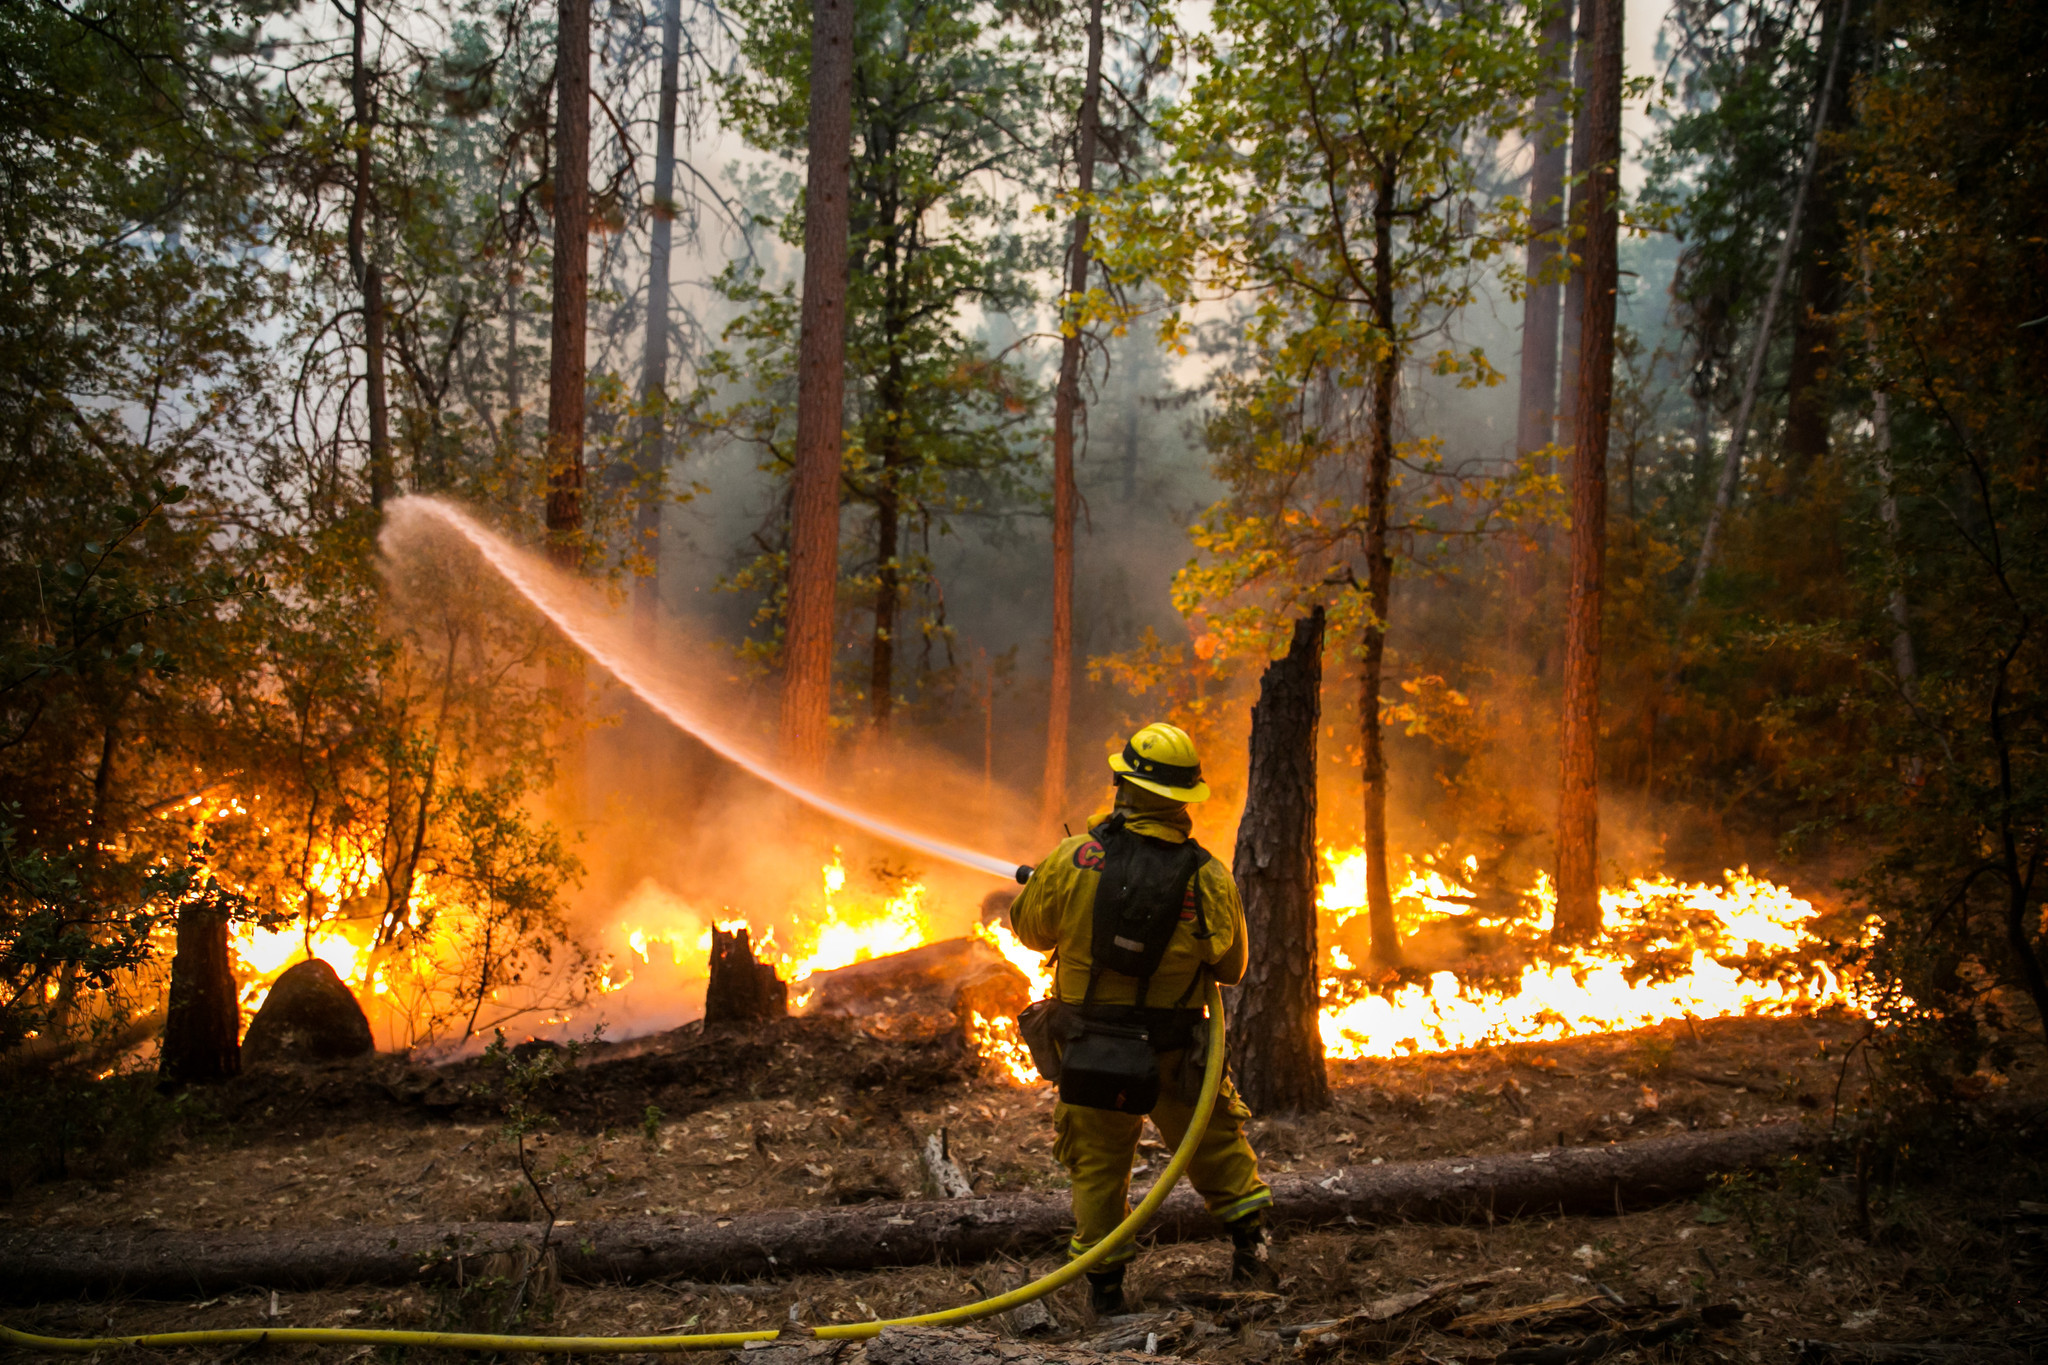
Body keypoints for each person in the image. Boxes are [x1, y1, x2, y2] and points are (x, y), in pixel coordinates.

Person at [1011, 722, 1274, 1314]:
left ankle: (1105, 1295)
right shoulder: (1207, 875)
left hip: (1090, 1050)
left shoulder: (1076, 858)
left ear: (1122, 785)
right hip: (1176, 1051)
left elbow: (1028, 931)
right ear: (1185, 799)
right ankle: (1253, 1255)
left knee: (1098, 1170)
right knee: (1213, 1144)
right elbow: (1230, 967)